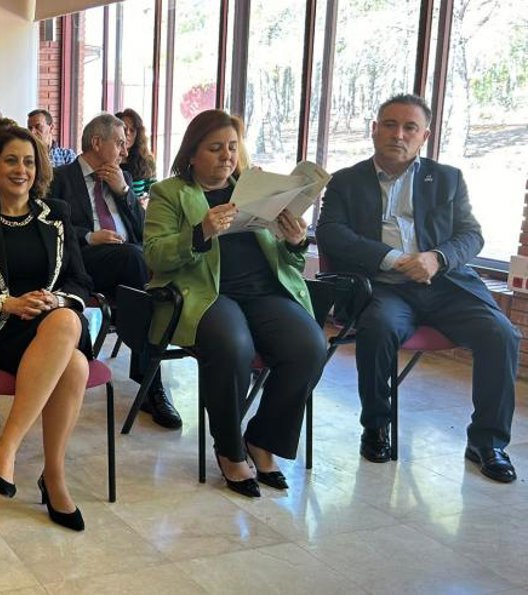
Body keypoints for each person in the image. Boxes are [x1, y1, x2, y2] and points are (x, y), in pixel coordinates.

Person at [317, 93, 518, 482]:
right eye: (390, 125)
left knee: (501, 334)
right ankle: (376, 427)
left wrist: (437, 258)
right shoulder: (346, 181)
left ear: (424, 136)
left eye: (410, 127)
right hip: (384, 287)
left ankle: (487, 442)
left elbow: (471, 235)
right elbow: (331, 233)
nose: (399, 135)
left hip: (445, 286)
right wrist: (393, 258)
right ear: (374, 130)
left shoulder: (447, 178)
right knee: (378, 328)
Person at [143, 109, 326, 498]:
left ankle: (261, 439)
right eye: (215, 148)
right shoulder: (169, 193)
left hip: (263, 293)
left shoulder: (255, 189)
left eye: (231, 147)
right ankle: (229, 448)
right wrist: (200, 232)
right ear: (192, 154)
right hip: (206, 294)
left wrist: (296, 242)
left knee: (310, 346)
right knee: (233, 345)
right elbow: (155, 255)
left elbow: (288, 261)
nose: (226, 156)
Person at [0, 126, 93, 531]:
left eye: (29, 162)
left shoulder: (56, 214)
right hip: (0, 330)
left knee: (66, 324)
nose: (21, 170)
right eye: (11, 160)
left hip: (54, 325)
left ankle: (10, 447)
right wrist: (7, 303)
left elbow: (81, 281)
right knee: (75, 363)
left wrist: (56, 300)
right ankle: (51, 478)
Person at [48, 113, 177, 428]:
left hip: (127, 264)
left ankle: (140, 342)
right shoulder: (59, 178)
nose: (125, 150)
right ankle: (151, 385)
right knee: (137, 262)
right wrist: (90, 236)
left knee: (146, 264)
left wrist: (124, 193)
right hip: (84, 261)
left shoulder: (124, 178)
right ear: (96, 142)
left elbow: (144, 231)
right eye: (119, 143)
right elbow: (50, 229)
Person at [116, 108, 158, 197]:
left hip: (137, 205)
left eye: (132, 130)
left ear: (137, 135)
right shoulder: (106, 158)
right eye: (124, 128)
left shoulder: (146, 160)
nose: (127, 133)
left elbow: (155, 193)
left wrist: (145, 200)